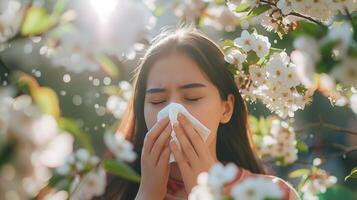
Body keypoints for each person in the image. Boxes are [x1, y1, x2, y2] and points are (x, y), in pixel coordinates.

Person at [101, 25, 300, 200]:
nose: (174, 113)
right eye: (157, 100)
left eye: (192, 97)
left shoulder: (274, 194)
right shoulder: (103, 189)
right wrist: (148, 194)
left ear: (226, 108)